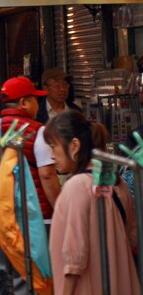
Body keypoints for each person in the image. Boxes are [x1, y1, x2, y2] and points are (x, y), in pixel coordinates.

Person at [45, 111, 139, 295]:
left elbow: (74, 258)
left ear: (74, 146)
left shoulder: (76, 187)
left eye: (53, 146)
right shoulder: (117, 183)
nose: (51, 156)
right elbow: (132, 236)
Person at [0, 76, 57, 295]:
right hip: (36, 217)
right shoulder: (38, 133)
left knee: (6, 276)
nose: (38, 105)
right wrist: (60, 207)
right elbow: (47, 175)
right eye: (35, 99)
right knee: (34, 275)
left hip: (2, 215)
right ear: (24, 103)